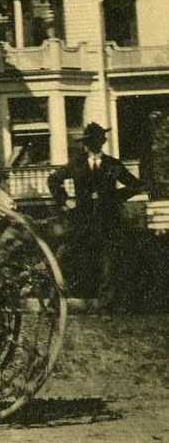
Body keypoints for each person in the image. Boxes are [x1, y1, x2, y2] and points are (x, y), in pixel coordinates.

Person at [48, 121, 144, 313]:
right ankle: (54, 300)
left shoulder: (112, 165)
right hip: (81, 221)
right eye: (90, 141)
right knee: (64, 257)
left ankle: (105, 305)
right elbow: (53, 180)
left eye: (97, 140)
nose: (93, 144)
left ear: (102, 141)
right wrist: (65, 201)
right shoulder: (76, 163)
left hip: (108, 221)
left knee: (108, 262)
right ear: (85, 143)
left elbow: (136, 185)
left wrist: (114, 197)